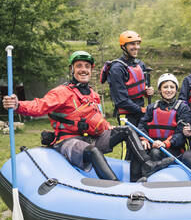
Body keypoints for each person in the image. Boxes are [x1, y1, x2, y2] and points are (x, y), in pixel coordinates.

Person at [2, 51, 169, 182]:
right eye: (79, 65)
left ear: (91, 70)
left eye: (87, 66)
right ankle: (115, 186)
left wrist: (108, 127)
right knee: (93, 151)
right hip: (68, 141)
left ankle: (144, 168)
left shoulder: (93, 95)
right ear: (72, 69)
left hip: (91, 137)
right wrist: (18, 105)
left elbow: (97, 119)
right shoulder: (62, 92)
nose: (83, 69)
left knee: (126, 130)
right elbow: (39, 106)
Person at [138, 73, 191, 164]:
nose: (169, 90)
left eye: (172, 87)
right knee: (138, 150)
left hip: (173, 149)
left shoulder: (182, 108)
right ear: (160, 90)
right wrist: (144, 139)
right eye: (165, 87)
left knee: (155, 152)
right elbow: (142, 125)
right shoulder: (152, 107)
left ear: (176, 90)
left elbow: (180, 134)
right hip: (152, 145)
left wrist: (164, 143)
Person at [105, 30, 154, 126]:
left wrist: (149, 91)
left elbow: (144, 87)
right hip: (126, 115)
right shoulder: (117, 69)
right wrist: (141, 110)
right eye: (132, 44)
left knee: (142, 140)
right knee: (129, 141)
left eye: (137, 44)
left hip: (140, 113)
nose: (136, 47)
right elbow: (121, 100)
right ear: (123, 47)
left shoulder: (140, 64)